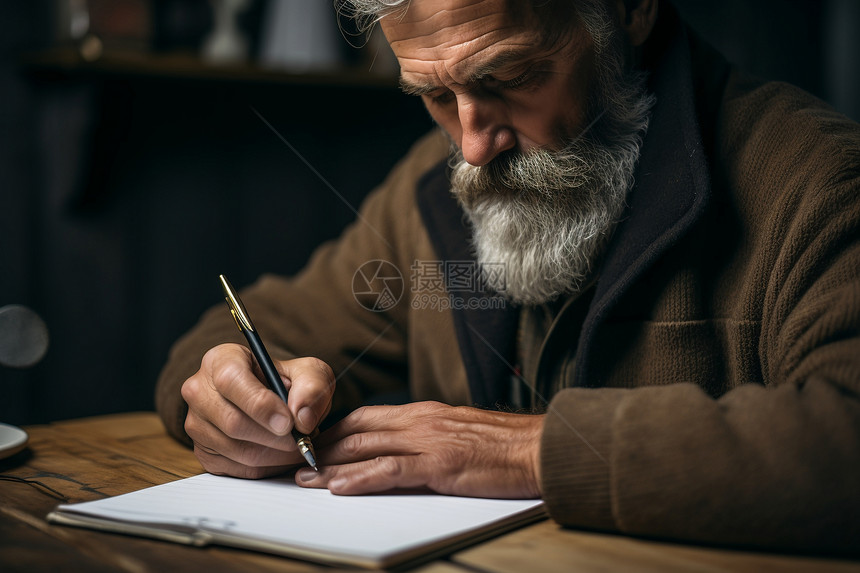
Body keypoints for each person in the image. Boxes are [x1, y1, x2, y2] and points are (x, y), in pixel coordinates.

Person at [156, 0, 860, 555]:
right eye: (434, 95)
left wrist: (527, 450)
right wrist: (229, 389)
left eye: (511, 77)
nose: (471, 145)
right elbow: (243, 331)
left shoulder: (819, 182)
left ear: (630, 9)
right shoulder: (426, 193)